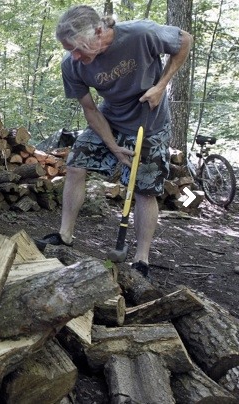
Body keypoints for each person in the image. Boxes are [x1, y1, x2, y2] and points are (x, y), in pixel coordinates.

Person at [35, 5, 192, 277]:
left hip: (150, 121)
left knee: (145, 188)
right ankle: (65, 235)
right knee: (75, 164)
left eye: (77, 48)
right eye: (69, 49)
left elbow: (185, 40)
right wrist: (111, 144)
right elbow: (90, 109)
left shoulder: (140, 34)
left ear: (98, 32)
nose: (74, 55)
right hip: (110, 119)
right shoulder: (71, 64)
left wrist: (161, 85)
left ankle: (141, 259)